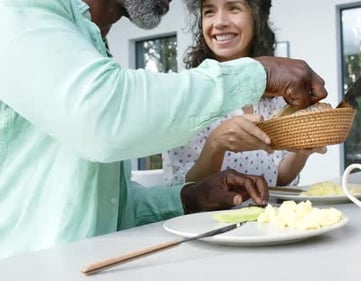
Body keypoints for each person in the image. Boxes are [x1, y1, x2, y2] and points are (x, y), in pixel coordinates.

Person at [0, 0, 328, 258]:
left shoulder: (95, 49)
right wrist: (259, 72)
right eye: (209, 10)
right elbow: (104, 121)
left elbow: (115, 208)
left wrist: (189, 198)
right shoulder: (20, 7)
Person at [162, 0, 326, 188]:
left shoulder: (279, 96)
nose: (219, 22)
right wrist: (216, 144)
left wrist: (302, 151)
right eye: (209, 11)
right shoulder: (186, 95)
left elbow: (277, 179)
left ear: (256, 18)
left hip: (267, 216)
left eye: (233, 8)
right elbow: (178, 191)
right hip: (207, 218)